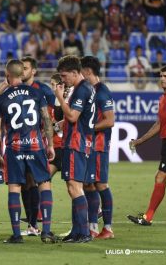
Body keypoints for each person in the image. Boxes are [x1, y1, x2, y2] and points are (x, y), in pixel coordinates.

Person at [0, 59, 57, 244]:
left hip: (14, 147)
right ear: (22, 74)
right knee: (44, 183)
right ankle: (45, 231)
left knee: (14, 187)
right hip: (36, 145)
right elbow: (46, 119)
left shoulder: (1, 99)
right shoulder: (37, 93)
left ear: (7, 75)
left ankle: (17, 235)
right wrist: (50, 144)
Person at [53, 55, 96, 243]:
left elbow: (72, 116)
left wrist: (59, 97)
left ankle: (84, 232)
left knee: (75, 187)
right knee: (73, 187)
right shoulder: (86, 88)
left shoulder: (80, 90)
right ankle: (77, 231)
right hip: (80, 141)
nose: (63, 80)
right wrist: (61, 122)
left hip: (76, 143)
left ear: (74, 72)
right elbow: (78, 117)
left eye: (64, 76)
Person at [127, 65, 166, 226]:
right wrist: (140, 141)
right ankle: (148, 216)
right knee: (161, 177)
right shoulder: (163, 98)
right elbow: (160, 124)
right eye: (161, 76)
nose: (162, 78)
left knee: (161, 177)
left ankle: (148, 216)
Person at [81, 56, 115, 239]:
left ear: (87, 71)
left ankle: (108, 229)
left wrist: (88, 128)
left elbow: (110, 120)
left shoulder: (102, 92)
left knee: (101, 184)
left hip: (99, 146)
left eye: (80, 71)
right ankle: (93, 227)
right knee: (88, 185)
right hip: (89, 146)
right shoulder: (90, 91)